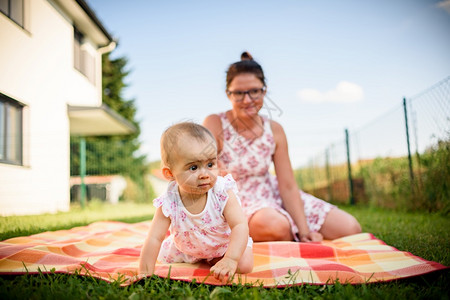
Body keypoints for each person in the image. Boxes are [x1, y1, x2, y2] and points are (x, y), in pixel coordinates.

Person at [203, 52, 362, 243]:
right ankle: (281, 235)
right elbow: (202, 171)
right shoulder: (215, 123)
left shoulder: (275, 130)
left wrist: (304, 230)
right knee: (275, 226)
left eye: (254, 91)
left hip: (273, 193)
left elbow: (287, 185)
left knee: (350, 228)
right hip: (235, 199)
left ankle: (294, 235)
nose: (247, 100)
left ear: (264, 90)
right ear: (228, 94)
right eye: (238, 93)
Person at [139, 122, 253, 282]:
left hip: (224, 244)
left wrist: (231, 258)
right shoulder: (170, 200)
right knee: (162, 256)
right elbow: (154, 238)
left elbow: (240, 225)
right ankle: (204, 259)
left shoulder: (221, 191)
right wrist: (144, 273)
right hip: (188, 248)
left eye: (210, 164)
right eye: (193, 168)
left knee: (245, 264)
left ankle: (217, 259)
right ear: (170, 173)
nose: (205, 174)